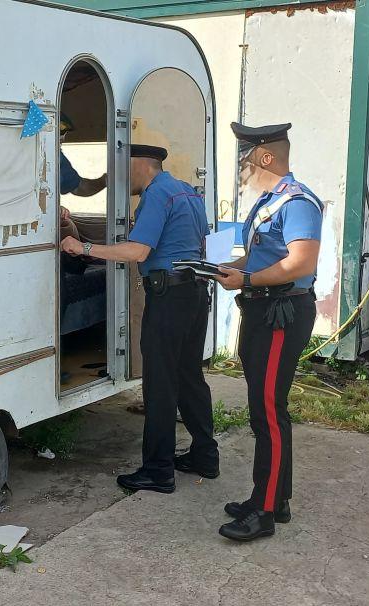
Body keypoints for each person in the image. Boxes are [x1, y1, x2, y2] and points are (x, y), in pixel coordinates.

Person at [61, 144, 219, 494]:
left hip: (170, 298)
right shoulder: (187, 193)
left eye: (122, 167)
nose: (119, 176)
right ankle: (205, 456)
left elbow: (137, 251)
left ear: (138, 165)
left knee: (160, 384)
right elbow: (203, 243)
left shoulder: (156, 195)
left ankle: (158, 470)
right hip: (195, 294)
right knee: (190, 376)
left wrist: (82, 248)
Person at [214, 122, 323, 542]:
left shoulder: (297, 203)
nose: (241, 169)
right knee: (264, 410)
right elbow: (262, 257)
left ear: (264, 157)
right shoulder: (269, 203)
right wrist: (231, 270)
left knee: (269, 411)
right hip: (263, 310)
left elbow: (300, 264)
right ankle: (273, 497)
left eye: (244, 161)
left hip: (282, 313)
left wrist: (245, 281)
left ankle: (264, 510)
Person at [58, 113, 107, 242]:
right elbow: (80, 188)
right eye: (62, 134)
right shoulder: (54, 155)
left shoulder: (56, 156)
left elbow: (77, 186)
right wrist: (105, 181)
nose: (63, 140)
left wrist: (104, 180)